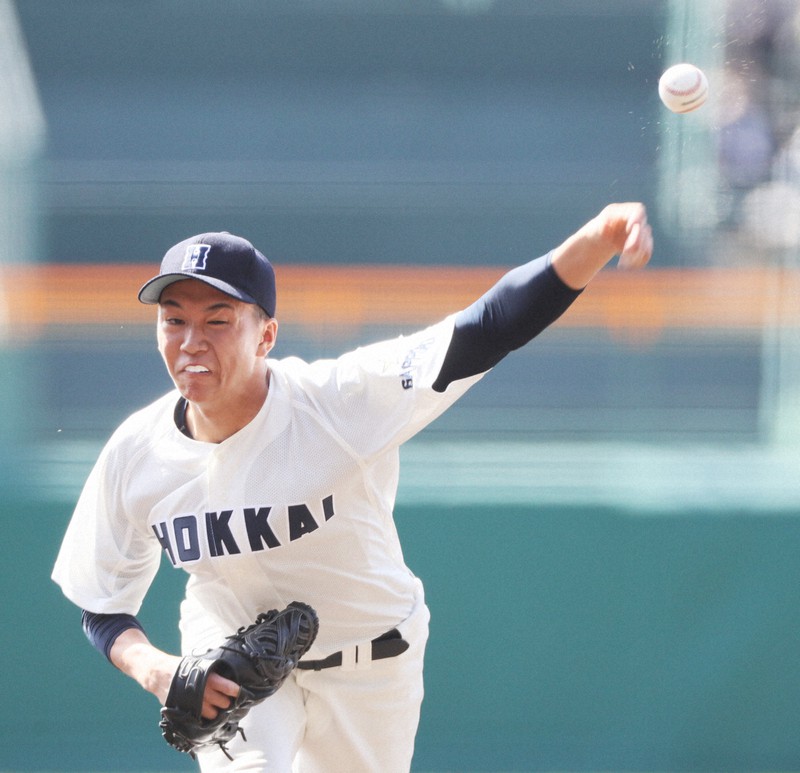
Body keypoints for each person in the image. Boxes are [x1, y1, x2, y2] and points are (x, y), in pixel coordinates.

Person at [52, 202, 652, 772]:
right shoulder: (137, 451)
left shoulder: (336, 402)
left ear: (265, 336)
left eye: (218, 320)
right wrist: (159, 671)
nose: (190, 342)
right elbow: (101, 602)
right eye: (174, 320)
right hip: (231, 653)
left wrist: (596, 240)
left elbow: (486, 328)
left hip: (371, 658)